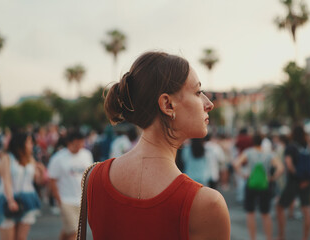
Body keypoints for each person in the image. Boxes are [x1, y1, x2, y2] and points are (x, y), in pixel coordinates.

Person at [86, 51, 230, 239]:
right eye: (198, 92)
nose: (209, 103)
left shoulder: (93, 178)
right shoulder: (206, 204)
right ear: (167, 104)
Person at [0, 132, 46, 240]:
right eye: (29, 142)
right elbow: (6, 180)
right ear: (20, 144)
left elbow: (38, 182)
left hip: (28, 198)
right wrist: (10, 200)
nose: (32, 145)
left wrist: (42, 171)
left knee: (21, 238)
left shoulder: (30, 159)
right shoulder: (6, 158)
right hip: (8, 198)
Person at [234, 134, 284, 240]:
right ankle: (269, 238)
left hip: (251, 183)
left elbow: (236, 163)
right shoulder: (269, 154)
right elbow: (280, 168)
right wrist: (272, 178)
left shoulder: (248, 152)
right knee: (266, 214)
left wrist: (243, 175)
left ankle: (253, 238)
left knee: (250, 213)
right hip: (265, 185)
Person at [48, 131, 93, 240]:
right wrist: (59, 200)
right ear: (69, 143)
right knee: (75, 231)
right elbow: (52, 180)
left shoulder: (86, 155)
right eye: (77, 143)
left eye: (82, 143)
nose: (80, 146)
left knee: (69, 229)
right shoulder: (58, 158)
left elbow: (90, 175)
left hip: (81, 201)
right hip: (66, 201)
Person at [276, 126, 310, 240]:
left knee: (280, 207)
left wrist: (296, 174)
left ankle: (281, 236)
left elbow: (288, 163)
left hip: (294, 181)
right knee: (306, 209)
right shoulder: (308, 147)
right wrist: (306, 179)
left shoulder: (291, 147)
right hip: (307, 182)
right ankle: (305, 237)